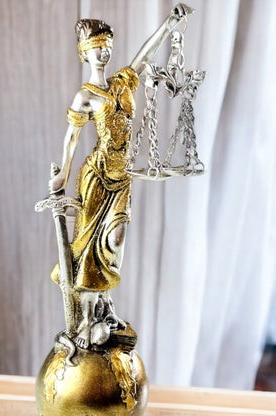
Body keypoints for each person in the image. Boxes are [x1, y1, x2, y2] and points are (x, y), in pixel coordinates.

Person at [49, 5, 188, 348]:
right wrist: (63, 173)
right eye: (97, 47)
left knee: (116, 239)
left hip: (122, 176)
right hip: (96, 177)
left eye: (107, 47)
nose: (104, 52)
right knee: (88, 248)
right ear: (84, 52)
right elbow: (71, 137)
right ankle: (89, 314)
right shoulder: (85, 96)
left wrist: (169, 24)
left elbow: (145, 55)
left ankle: (105, 305)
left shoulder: (123, 81)